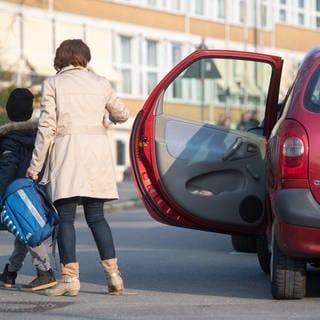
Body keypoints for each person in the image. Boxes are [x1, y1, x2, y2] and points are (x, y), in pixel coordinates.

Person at [26, 39, 129, 297]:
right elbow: (123, 114)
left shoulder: (53, 84)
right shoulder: (101, 82)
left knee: (66, 219)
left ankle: (70, 279)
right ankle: (114, 276)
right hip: (97, 156)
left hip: (67, 155)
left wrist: (35, 165)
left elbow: (46, 127)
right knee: (97, 217)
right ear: (85, 58)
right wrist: (107, 119)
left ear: (60, 58)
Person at [0, 88, 57, 291]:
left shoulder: (10, 140)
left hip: (15, 192)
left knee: (27, 229)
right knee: (22, 233)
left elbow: (7, 170)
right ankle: (10, 273)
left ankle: (45, 271)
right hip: (35, 189)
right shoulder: (36, 136)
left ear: (9, 112)